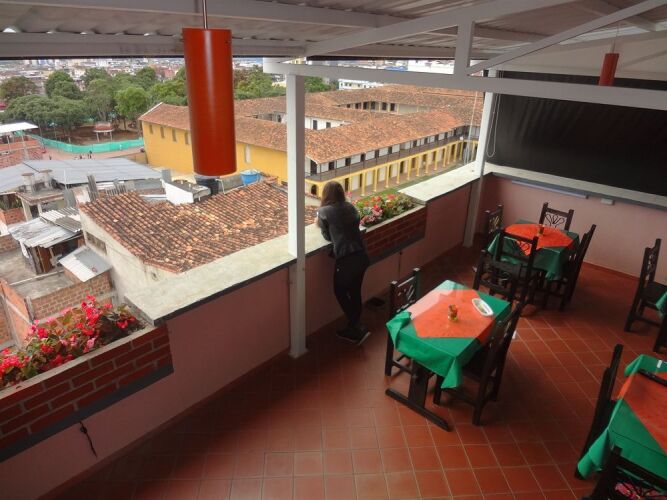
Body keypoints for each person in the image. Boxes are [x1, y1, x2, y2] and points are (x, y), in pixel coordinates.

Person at [317, 181, 371, 345]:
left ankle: (357, 327)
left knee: (340, 291)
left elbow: (327, 236)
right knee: (355, 291)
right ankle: (356, 326)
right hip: (362, 255)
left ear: (326, 194)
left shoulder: (324, 212)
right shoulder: (351, 207)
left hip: (347, 259)